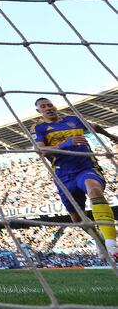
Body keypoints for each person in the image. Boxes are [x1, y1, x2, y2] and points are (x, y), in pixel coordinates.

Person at [32, 97, 118, 259]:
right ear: (39, 111)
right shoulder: (39, 128)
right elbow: (41, 151)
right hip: (63, 175)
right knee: (76, 217)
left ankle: (111, 243)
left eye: (49, 104)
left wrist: (111, 136)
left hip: (86, 167)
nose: (48, 108)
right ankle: (98, 238)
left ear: (55, 106)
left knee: (94, 190)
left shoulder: (73, 120)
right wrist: (66, 144)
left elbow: (95, 126)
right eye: (43, 107)